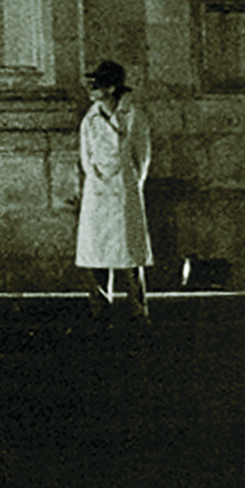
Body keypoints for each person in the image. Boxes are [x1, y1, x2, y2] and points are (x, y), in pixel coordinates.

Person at [76, 60, 153, 324]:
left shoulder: (134, 117)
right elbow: (86, 156)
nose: (91, 89)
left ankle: (138, 310)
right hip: (98, 191)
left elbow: (141, 157)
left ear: (111, 88)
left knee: (129, 253)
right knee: (96, 253)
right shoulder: (90, 119)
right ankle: (100, 311)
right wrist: (98, 180)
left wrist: (130, 184)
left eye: (97, 84)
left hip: (123, 191)